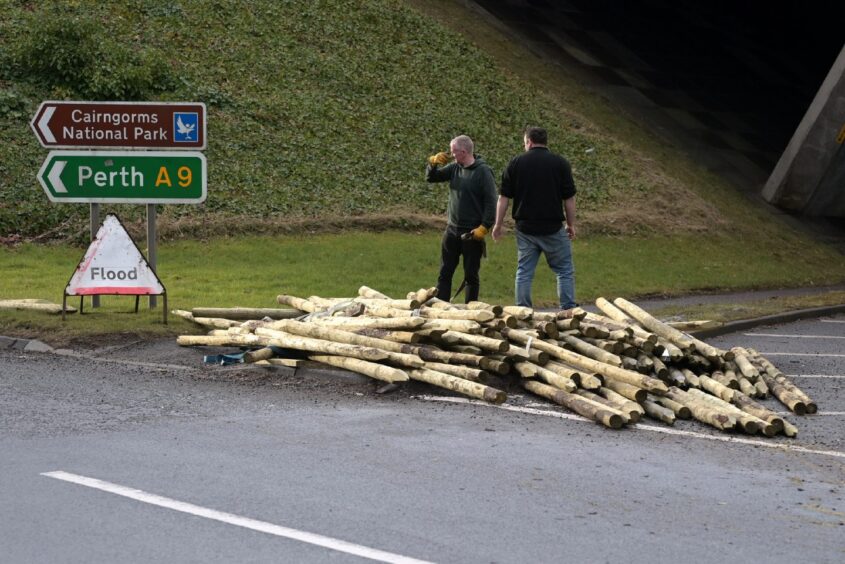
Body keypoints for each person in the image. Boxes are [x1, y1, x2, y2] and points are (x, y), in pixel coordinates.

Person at [492, 126, 577, 314]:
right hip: (553, 227)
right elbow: (569, 199)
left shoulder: (516, 163)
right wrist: (570, 224)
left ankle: (523, 310)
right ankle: (569, 309)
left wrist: (498, 224)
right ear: (545, 141)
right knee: (564, 270)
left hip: (525, 228)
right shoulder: (560, 163)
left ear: (529, 142)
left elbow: (504, 197)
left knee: (524, 271)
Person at [426, 135, 497, 303]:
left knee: (470, 275)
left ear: (463, 152)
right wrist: (433, 163)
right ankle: (441, 307)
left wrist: (484, 227)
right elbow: (432, 178)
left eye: (453, 152)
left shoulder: (483, 171)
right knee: (445, 272)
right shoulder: (454, 168)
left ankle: (471, 312)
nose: (450, 155)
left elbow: (491, 201)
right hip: (452, 229)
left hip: (472, 232)